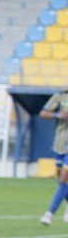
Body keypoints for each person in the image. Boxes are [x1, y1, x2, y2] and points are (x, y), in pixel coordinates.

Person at [38, 87, 68, 225]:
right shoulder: (60, 96)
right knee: (61, 180)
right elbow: (43, 113)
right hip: (59, 144)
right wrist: (57, 115)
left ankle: (49, 213)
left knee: (64, 178)